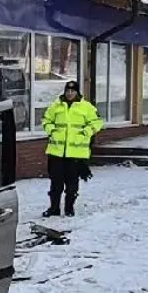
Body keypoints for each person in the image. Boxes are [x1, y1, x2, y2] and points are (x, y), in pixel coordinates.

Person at [40, 80, 103, 217]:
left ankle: (69, 208)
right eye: (67, 91)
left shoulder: (86, 107)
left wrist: (86, 132)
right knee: (56, 183)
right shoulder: (55, 106)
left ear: (77, 92)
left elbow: (97, 122)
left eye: (72, 91)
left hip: (76, 153)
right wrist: (51, 130)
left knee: (72, 183)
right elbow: (45, 120)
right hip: (56, 151)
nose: (69, 94)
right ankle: (54, 208)